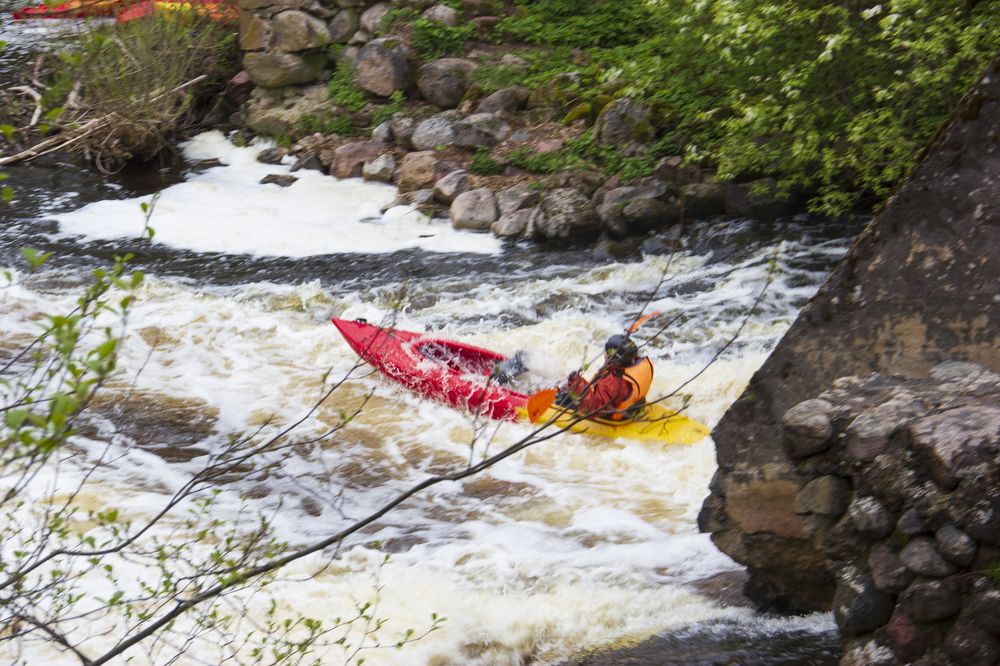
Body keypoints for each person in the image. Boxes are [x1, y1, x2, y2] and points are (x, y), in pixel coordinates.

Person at [556, 334, 653, 420]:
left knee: (563, 396)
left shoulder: (613, 381)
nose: (604, 353)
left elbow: (595, 408)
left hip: (607, 413)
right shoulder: (636, 363)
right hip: (630, 407)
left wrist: (576, 382)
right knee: (564, 382)